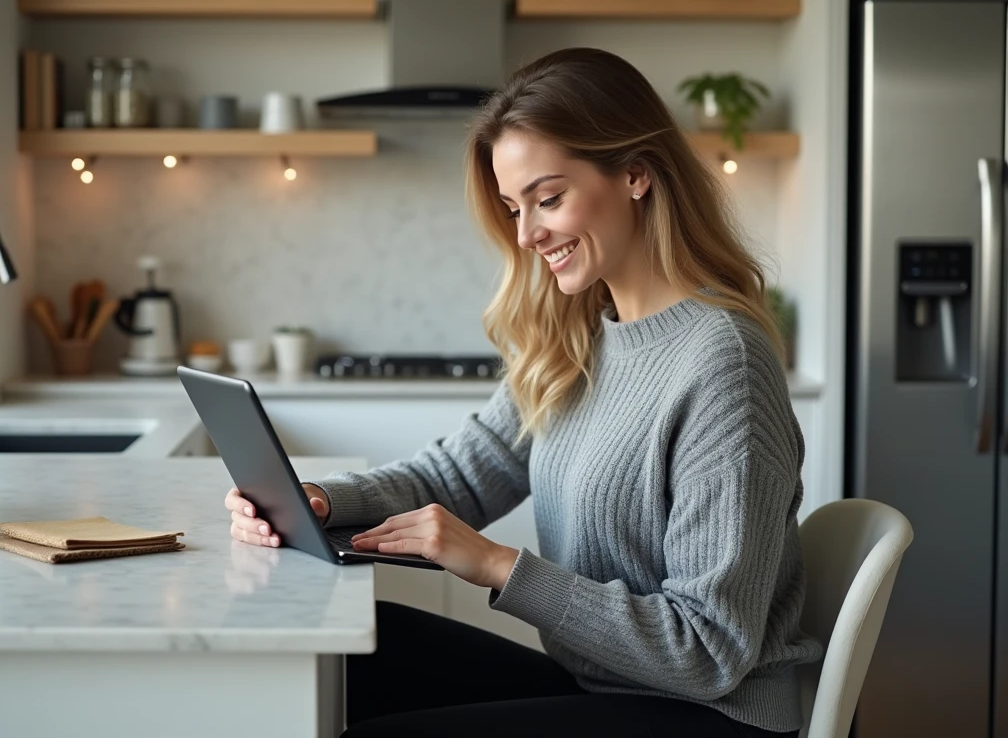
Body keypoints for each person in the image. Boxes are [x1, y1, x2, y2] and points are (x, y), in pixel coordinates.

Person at [224, 47, 823, 737]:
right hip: (602, 687)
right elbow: (456, 476)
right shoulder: (579, 336)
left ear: (635, 174)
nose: (527, 234)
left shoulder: (722, 363)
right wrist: (324, 502)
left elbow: (709, 649)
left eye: (549, 198)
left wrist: (495, 564)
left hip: (712, 715)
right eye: (514, 207)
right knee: (348, 654)